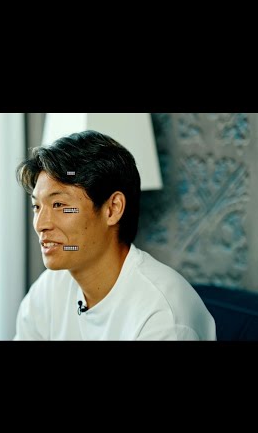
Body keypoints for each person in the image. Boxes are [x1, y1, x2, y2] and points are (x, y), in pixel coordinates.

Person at [13, 130, 216, 340]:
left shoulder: (162, 317)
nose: (40, 224)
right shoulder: (50, 288)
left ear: (112, 209)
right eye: (37, 207)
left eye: (59, 205)